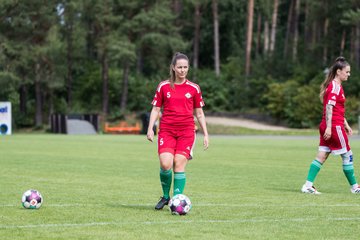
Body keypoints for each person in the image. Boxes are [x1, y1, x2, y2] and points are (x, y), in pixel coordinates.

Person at [147, 52, 209, 210]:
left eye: (185, 67)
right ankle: (166, 196)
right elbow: (155, 109)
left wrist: (206, 134)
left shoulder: (194, 88)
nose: (182, 70)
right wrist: (150, 129)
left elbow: (199, 113)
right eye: (179, 67)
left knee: (178, 164)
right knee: (165, 164)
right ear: (173, 68)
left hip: (186, 131)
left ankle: (176, 199)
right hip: (167, 130)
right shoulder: (164, 86)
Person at [301, 56, 360, 194]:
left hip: (331, 125)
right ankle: (355, 187)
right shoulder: (334, 87)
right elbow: (329, 107)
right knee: (348, 156)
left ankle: (307, 185)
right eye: (347, 72)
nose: (349, 74)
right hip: (333, 126)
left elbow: (337, 108)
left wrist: (346, 124)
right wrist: (330, 127)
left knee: (322, 156)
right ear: (339, 71)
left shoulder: (336, 86)